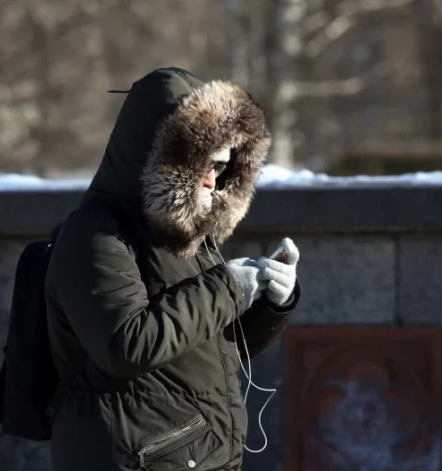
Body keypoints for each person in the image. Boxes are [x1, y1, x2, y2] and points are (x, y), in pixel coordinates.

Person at [45, 67, 301, 471]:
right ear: (163, 157)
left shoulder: (187, 236)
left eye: (221, 167)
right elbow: (126, 345)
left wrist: (271, 301)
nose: (213, 182)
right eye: (205, 165)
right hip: (134, 459)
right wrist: (228, 289)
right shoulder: (94, 234)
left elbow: (210, 349)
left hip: (195, 455)